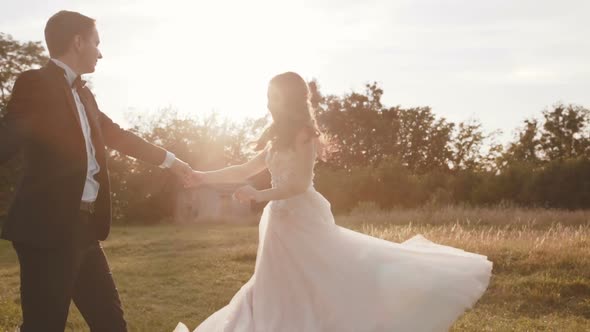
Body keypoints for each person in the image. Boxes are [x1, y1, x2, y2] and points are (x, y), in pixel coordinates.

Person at [175, 72, 493, 332]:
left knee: (324, 279)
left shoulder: (305, 135)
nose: (268, 102)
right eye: (268, 95)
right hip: (277, 222)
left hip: (303, 216)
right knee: (277, 286)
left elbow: (298, 184)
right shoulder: (274, 138)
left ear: (290, 99)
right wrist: (202, 176)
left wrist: (259, 195)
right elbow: (243, 169)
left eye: (274, 96)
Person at [0, 10, 193, 332]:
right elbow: (9, 136)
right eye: (96, 42)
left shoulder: (85, 94)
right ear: (78, 42)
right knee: (44, 326)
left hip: (85, 227)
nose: (101, 52)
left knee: (111, 323)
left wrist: (172, 161)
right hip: (48, 229)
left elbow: (117, 135)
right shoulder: (35, 83)